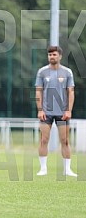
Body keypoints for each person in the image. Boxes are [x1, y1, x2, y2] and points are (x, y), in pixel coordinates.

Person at [35, 45, 77, 177]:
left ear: (60, 56)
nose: (52, 57)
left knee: (65, 140)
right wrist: (40, 109)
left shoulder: (67, 72)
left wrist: (69, 110)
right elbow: (38, 91)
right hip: (46, 112)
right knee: (44, 139)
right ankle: (43, 169)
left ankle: (67, 169)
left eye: (54, 55)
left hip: (62, 113)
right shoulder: (42, 72)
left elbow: (70, 92)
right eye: (50, 55)